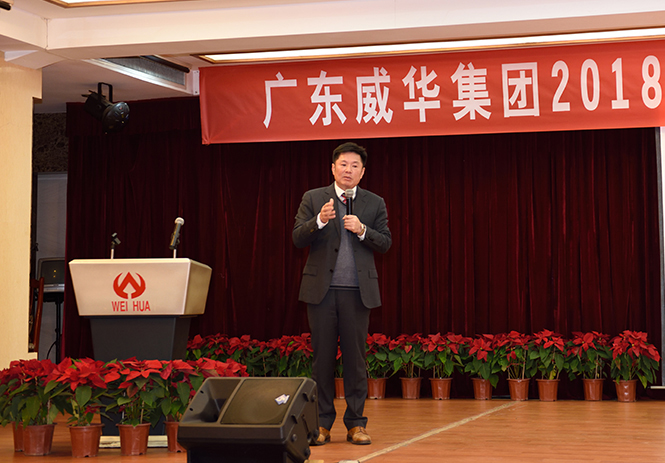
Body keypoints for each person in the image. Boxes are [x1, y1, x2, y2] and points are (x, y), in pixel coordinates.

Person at [293, 141, 391, 446]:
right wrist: (320, 220)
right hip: (321, 293)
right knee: (322, 361)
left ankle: (356, 423)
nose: (348, 170)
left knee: (355, 360)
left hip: (357, 293)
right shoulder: (314, 198)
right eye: (343, 164)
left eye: (355, 166)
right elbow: (297, 238)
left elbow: (385, 242)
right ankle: (322, 424)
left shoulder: (374, 203)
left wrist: (362, 230)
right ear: (333, 168)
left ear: (363, 172)